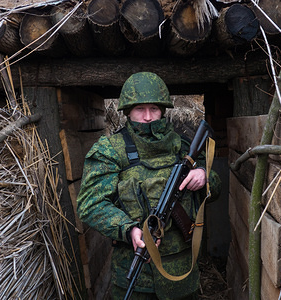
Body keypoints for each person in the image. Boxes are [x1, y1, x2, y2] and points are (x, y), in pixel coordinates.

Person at [77, 72, 221, 300]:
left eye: (153, 109)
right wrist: (129, 229)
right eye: (139, 109)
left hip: (182, 273)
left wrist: (204, 176)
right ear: (127, 111)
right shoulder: (110, 149)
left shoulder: (182, 146)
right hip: (135, 275)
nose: (147, 117)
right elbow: (90, 204)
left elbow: (216, 187)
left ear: (163, 110)